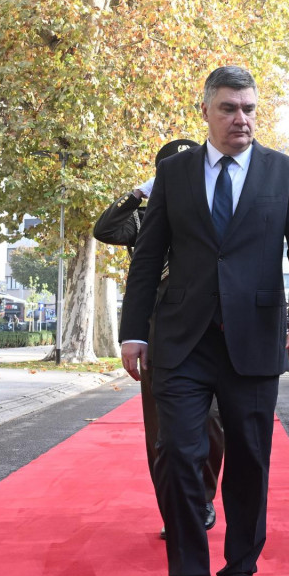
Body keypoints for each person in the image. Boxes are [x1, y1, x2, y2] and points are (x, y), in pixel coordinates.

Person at [118, 66, 289, 576]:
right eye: (230, 108)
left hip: (253, 340)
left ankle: (240, 572)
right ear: (206, 111)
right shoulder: (175, 172)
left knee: (250, 462)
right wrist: (133, 330)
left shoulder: (284, 172)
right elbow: (147, 256)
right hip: (182, 342)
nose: (242, 119)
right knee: (179, 455)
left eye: (250, 109)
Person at [93, 138, 225, 541]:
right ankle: (176, 505)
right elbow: (106, 230)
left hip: (209, 328)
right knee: (163, 429)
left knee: (212, 422)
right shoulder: (145, 215)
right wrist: (138, 194)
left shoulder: (216, 206)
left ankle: (202, 496)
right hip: (159, 329)